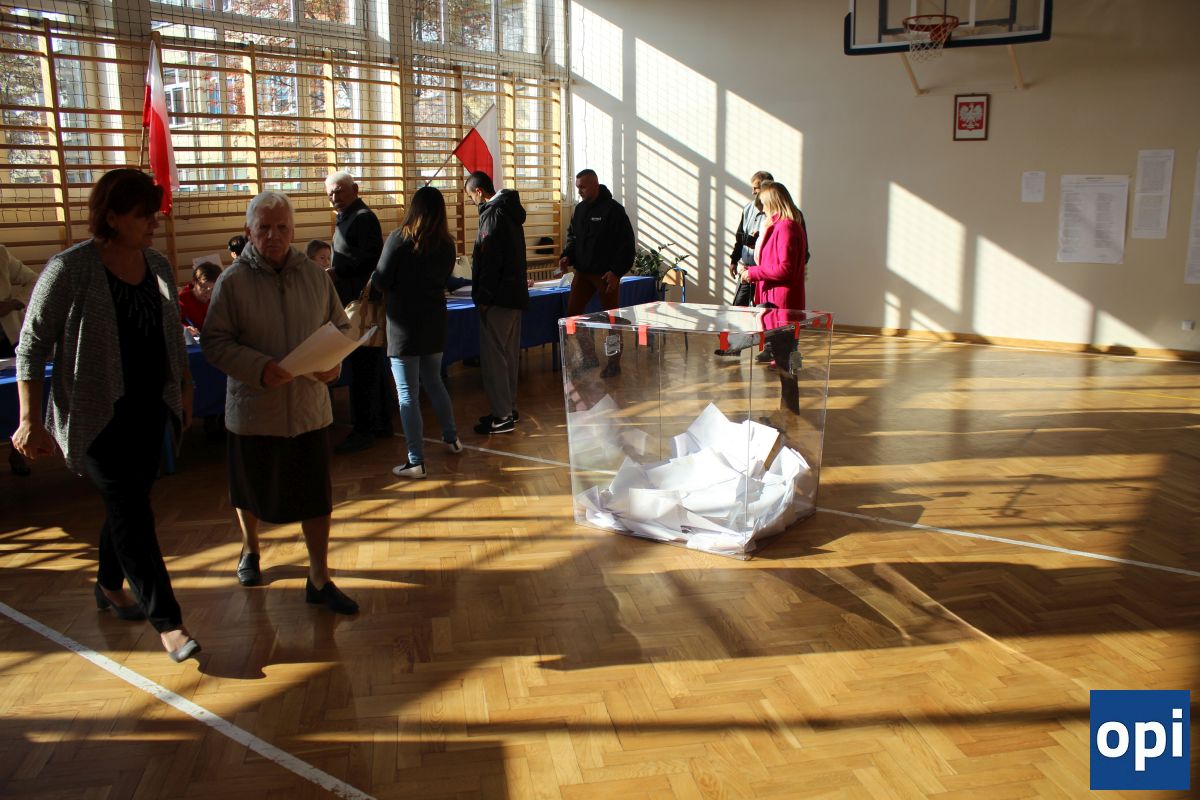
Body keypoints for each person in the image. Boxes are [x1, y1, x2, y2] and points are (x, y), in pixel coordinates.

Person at [11, 168, 200, 661]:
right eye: (144, 215)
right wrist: (29, 419)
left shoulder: (157, 264)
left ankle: (108, 584)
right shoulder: (69, 269)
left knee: (128, 503)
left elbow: (170, 331)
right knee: (133, 510)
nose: (154, 223)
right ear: (112, 217)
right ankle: (169, 623)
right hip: (95, 415)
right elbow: (31, 346)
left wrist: (184, 385)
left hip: (149, 409)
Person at [202, 190, 359, 614]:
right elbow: (214, 343)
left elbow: (341, 327)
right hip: (255, 411)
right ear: (249, 230)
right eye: (264, 227)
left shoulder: (314, 276)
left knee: (316, 497)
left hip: (308, 410)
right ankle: (250, 548)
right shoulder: (232, 282)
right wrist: (258, 367)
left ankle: (319, 577)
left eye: (282, 227)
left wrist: (334, 364)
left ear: (293, 230)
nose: (273, 235)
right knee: (249, 490)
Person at [371, 186, 462, 478]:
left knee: (407, 393)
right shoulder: (447, 244)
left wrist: (375, 277)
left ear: (414, 207)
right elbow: (444, 278)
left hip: (404, 325)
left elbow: (381, 280)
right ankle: (452, 438)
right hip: (434, 321)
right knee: (434, 382)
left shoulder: (399, 238)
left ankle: (416, 460)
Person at [324, 171, 389, 454]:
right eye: (329, 193)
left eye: (338, 191)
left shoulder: (363, 218)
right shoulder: (348, 217)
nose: (333, 197)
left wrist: (337, 271)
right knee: (367, 367)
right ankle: (378, 423)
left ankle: (365, 429)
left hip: (361, 305)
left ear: (355, 189)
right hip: (352, 303)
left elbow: (370, 259)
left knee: (365, 368)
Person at [464, 171, 528, 435]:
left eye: (471, 197)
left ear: (479, 192)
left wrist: (484, 297)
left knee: (494, 360)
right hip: (514, 296)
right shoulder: (510, 211)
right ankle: (508, 408)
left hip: (498, 299)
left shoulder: (492, 214)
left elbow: (490, 259)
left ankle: (502, 416)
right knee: (508, 357)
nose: (472, 202)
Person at [557, 169, 635, 378]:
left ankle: (614, 363)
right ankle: (589, 357)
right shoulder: (580, 209)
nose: (579, 191)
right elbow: (573, 238)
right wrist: (567, 256)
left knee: (612, 321)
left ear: (595, 185)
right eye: (577, 187)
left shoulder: (614, 210)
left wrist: (616, 272)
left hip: (605, 275)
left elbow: (627, 246)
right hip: (583, 273)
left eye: (582, 187)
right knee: (573, 316)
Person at [739, 181, 808, 312]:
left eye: (764, 204)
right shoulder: (781, 226)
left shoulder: (786, 227)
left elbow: (786, 269)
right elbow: (771, 263)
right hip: (773, 298)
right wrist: (750, 270)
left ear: (772, 204)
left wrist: (753, 273)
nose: (763, 209)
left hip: (780, 302)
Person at [1, 244, 38, 475]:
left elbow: (34, 280)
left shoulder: (1, 254)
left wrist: (15, 303)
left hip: (8, 338)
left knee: (16, 398)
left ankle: (17, 451)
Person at [727, 170, 773, 309]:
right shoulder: (748, 208)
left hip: (764, 273)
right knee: (738, 308)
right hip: (746, 270)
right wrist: (734, 260)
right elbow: (739, 236)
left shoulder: (775, 212)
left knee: (761, 310)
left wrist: (758, 241)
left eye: (756, 188)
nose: (753, 192)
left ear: (766, 188)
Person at [178, 261, 221, 337]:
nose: (208, 293)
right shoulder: (182, 299)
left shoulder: (219, 297)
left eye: (213, 289)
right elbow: (172, 323)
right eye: (204, 287)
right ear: (194, 282)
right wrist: (185, 328)